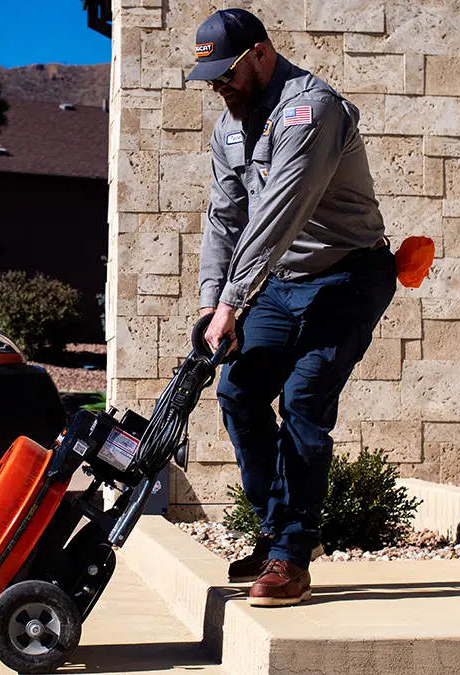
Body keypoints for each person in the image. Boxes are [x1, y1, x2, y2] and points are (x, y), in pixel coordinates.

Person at [187, 9, 397, 607]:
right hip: (280, 282)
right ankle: (278, 532)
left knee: (304, 398)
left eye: (226, 74)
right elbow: (224, 219)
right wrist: (210, 306)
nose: (219, 88)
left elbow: (278, 214)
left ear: (260, 53)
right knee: (239, 392)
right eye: (209, 79)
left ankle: (290, 558)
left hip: (349, 275)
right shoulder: (229, 129)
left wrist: (232, 302)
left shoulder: (312, 109)